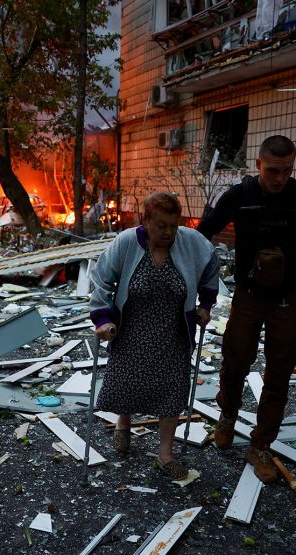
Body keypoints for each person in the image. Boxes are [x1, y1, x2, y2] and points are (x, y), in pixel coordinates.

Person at [197, 135, 296, 483]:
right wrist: (184, 273)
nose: (280, 178)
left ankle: (261, 445)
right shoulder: (239, 197)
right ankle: (227, 416)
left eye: (287, 170)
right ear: (259, 165)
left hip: (286, 299)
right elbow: (203, 234)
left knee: (279, 374)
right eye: (273, 170)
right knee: (235, 361)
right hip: (248, 294)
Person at [90, 192, 219, 480]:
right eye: (161, 225)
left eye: (174, 225)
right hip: (131, 330)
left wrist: (206, 305)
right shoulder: (126, 242)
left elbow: (211, 264)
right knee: (127, 385)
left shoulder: (190, 242)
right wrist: (102, 318)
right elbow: (100, 278)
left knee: (171, 392)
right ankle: (124, 423)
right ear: (145, 220)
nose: (169, 232)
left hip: (174, 333)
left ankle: (165, 455)